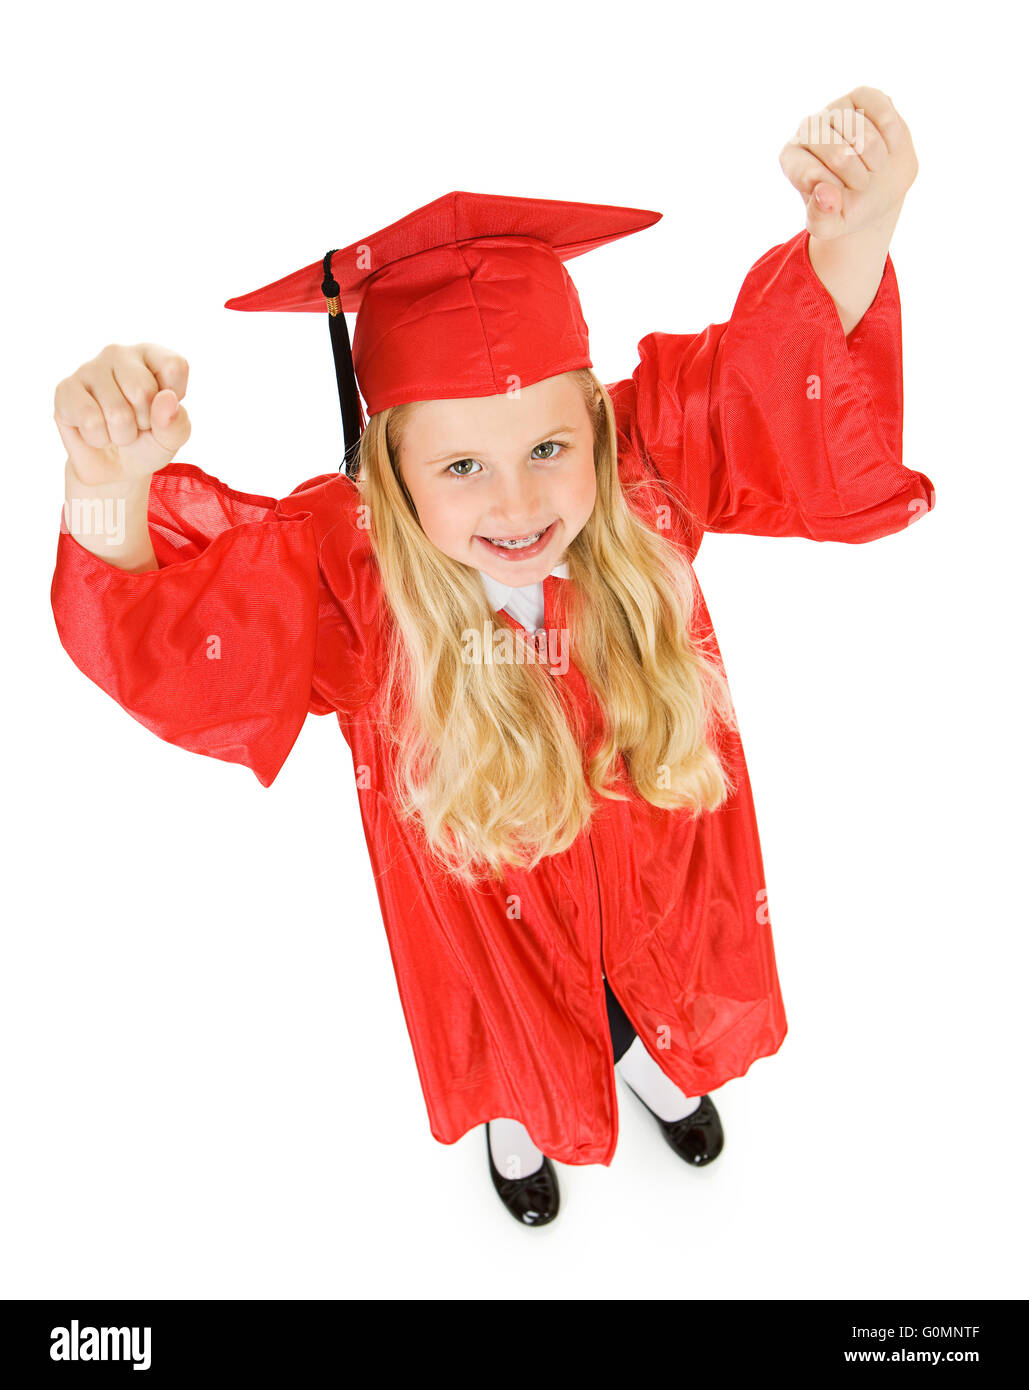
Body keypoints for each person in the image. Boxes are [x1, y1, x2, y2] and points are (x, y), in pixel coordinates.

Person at [51, 169, 933, 1228]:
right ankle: (516, 1125)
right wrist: (106, 481)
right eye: (462, 463)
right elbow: (178, 635)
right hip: (483, 898)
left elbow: (761, 382)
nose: (517, 502)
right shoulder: (351, 576)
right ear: (389, 474)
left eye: (549, 448)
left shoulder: (645, 483)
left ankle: (654, 1065)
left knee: (647, 980)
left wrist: (855, 231)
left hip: (653, 855)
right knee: (513, 1027)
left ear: (601, 433)